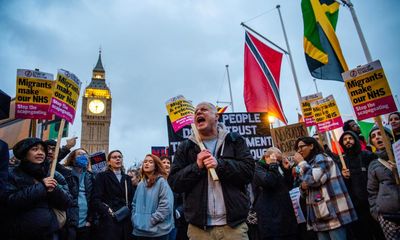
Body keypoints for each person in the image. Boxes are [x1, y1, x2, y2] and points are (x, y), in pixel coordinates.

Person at [168, 102, 255, 240]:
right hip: (199, 229)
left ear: (216, 116)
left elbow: (249, 172)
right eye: (196, 111)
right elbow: (174, 183)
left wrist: (219, 165)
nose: (198, 113)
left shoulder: (234, 140)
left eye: (204, 110)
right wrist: (196, 167)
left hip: (233, 227)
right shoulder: (186, 147)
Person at [5, 138, 72, 240]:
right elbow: (10, 201)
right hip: (19, 233)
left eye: (42, 150)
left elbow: (67, 202)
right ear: (24, 153)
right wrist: (41, 187)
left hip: (50, 233)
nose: (40, 153)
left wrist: (55, 190)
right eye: (35, 149)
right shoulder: (11, 174)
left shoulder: (54, 175)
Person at [294, 136, 357, 240]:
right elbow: (305, 191)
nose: (299, 151)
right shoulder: (309, 164)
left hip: (332, 214)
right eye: (297, 149)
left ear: (311, 146)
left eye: (301, 147)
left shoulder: (321, 158)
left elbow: (315, 180)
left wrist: (301, 163)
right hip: (319, 215)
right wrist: (303, 187)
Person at [338, 131, 384, 239]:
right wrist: (343, 175)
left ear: (355, 140)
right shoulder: (342, 161)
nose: (348, 141)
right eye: (344, 139)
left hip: (372, 201)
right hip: (355, 204)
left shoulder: (367, 155)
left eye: (350, 138)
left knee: (379, 231)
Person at [253, 147, 298, 240]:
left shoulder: (277, 167)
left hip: (285, 218)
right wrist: (273, 165)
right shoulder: (258, 168)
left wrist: (287, 170)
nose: (278, 162)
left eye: (279, 160)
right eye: (276, 160)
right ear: (267, 157)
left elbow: (287, 186)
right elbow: (269, 182)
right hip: (271, 220)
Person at [367, 126, 400, 239]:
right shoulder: (373, 164)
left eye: (380, 133)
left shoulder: (399, 155)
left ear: (390, 137)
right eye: (373, 136)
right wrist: (377, 213)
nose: (377, 137)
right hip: (387, 216)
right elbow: (372, 191)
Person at [93, 150, 133, 240]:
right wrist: (107, 212)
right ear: (109, 162)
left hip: (125, 220)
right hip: (109, 221)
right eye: (114, 157)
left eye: (119, 157)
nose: (118, 159)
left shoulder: (127, 178)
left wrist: (128, 210)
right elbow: (96, 199)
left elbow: (132, 199)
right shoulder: (102, 176)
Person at [131, 154, 174, 239]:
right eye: (145, 162)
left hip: (158, 233)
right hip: (139, 232)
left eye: (150, 162)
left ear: (156, 166)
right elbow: (134, 204)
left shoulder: (162, 182)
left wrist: (150, 221)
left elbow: (165, 206)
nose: (146, 164)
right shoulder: (140, 184)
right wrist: (135, 219)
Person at [63, 148, 95, 240]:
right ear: (73, 158)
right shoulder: (66, 173)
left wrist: (90, 220)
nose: (83, 156)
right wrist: (67, 147)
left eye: (85, 155)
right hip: (69, 222)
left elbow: (93, 199)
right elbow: (54, 164)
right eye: (80, 154)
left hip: (85, 223)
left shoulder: (90, 176)